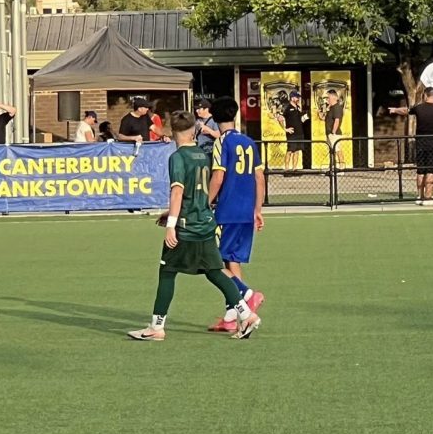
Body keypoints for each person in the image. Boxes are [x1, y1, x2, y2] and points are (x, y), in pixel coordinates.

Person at [127, 110, 261, 342]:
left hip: (186, 227)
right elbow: (200, 191)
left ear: (173, 132)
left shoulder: (177, 157)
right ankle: (246, 315)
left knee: (167, 272)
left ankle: (157, 327)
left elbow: (178, 192)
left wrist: (171, 224)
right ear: (194, 131)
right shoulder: (203, 155)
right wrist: (174, 211)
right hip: (206, 223)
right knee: (215, 271)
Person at [206, 96, 267, 333]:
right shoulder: (249, 142)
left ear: (214, 117)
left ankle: (247, 295)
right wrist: (258, 210)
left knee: (212, 262)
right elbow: (259, 177)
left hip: (228, 211)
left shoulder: (222, 142)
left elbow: (218, 176)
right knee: (232, 260)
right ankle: (232, 315)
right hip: (246, 211)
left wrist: (204, 203)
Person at [278, 91, 309, 173]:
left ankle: (294, 169)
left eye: (298, 97)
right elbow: (280, 118)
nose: (298, 99)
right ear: (292, 98)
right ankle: (286, 169)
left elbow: (300, 119)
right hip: (292, 133)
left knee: (297, 151)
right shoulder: (286, 107)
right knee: (290, 151)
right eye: (297, 97)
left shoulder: (298, 107)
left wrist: (307, 116)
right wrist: (285, 129)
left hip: (300, 132)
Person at [321, 89, 345, 161]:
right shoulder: (331, 108)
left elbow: (337, 120)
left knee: (338, 150)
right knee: (331, 151)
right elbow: (324, 118)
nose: (327, 99)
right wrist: (325, 110)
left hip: (335, 134)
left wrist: (333, 132)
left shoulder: (337, 107)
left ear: (334, 97)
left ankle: (342, 166)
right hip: (329, 133)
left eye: (328, 97)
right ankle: (332, 166)